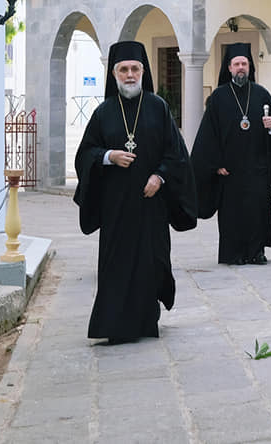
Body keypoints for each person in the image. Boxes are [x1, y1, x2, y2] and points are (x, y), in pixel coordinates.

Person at [74, 41, 197, 343]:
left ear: (143, 72)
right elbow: (85, 153)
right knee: (117, 264)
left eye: (135, 69)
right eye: (123, 69)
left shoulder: (158, 107)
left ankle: (145, 321)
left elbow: (177, 154)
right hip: (116, 207)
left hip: (150, 205)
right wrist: (108, 156)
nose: (130, 75)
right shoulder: (104, 113)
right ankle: (114, 326)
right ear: (114, 74)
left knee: (150, 262)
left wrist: (160, 177)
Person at [191, 42, 271, 265]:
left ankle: (256, 251)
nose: (241, 67)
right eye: (237, 64)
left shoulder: (261, 94)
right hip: (229, 169)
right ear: (229, 68)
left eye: (244, 63)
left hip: (257, 167)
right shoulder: (218, 98)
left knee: (257, 211)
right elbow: (208, 135)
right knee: (232, 213)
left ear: (250, 67)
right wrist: (216, 164)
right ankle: (233, 253)